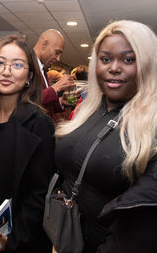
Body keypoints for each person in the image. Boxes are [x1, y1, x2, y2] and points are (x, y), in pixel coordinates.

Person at [55, 20, 157, 252]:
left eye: (128, 59)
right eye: (106, 59)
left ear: (148, 65)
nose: (114, 67)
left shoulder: (152, 125)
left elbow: (141, 232)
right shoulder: (88, 110)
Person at [0, 34, 55, 252]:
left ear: (30, 76)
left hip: (21, 240)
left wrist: (13, 241)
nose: (6, 71)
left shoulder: (39, 124)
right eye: (0, 63)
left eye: (17, 65)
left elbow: (40, 195)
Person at [34, 29, 75, 117]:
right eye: (57, 53)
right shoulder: (26, 65)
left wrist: (61, 101)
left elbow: (43, 105)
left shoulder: (42, 68)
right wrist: (56, 87)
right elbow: (25, 102)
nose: (58, 59)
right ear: (44, 45)